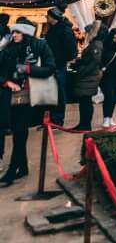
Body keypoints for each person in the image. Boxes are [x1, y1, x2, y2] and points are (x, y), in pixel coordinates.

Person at [0, 20, 56, 186]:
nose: (14, 35)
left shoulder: (40, 46)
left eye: (18, 32)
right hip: (11, 95)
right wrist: (6, 83)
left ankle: (12, 170)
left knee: (20, 130)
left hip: (33, 94)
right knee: (18, 131)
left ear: (26, 33)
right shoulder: (8, 48)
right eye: (13, 32)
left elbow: (50, 67)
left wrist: (28, 69)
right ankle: (23, 167)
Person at [44, 7, 77, 126]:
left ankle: (57, 119)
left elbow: (70, 48)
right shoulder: (55, 28)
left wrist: (60, 59)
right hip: (53, 64)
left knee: (58, 91)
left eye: (48, 16)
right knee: (53, 91)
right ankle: (53, 118)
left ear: (53, 17)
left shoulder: (63, 30)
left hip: (58, 65)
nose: (46, 18)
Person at [70, 23, 106, 131]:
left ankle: (85, 124)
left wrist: (83, 71)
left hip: (89, 76)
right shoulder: (94, 43)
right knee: (84, 101)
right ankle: (83, 123)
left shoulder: (96, 44)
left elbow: (95, 61)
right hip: (88, 75)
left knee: (86, 101)